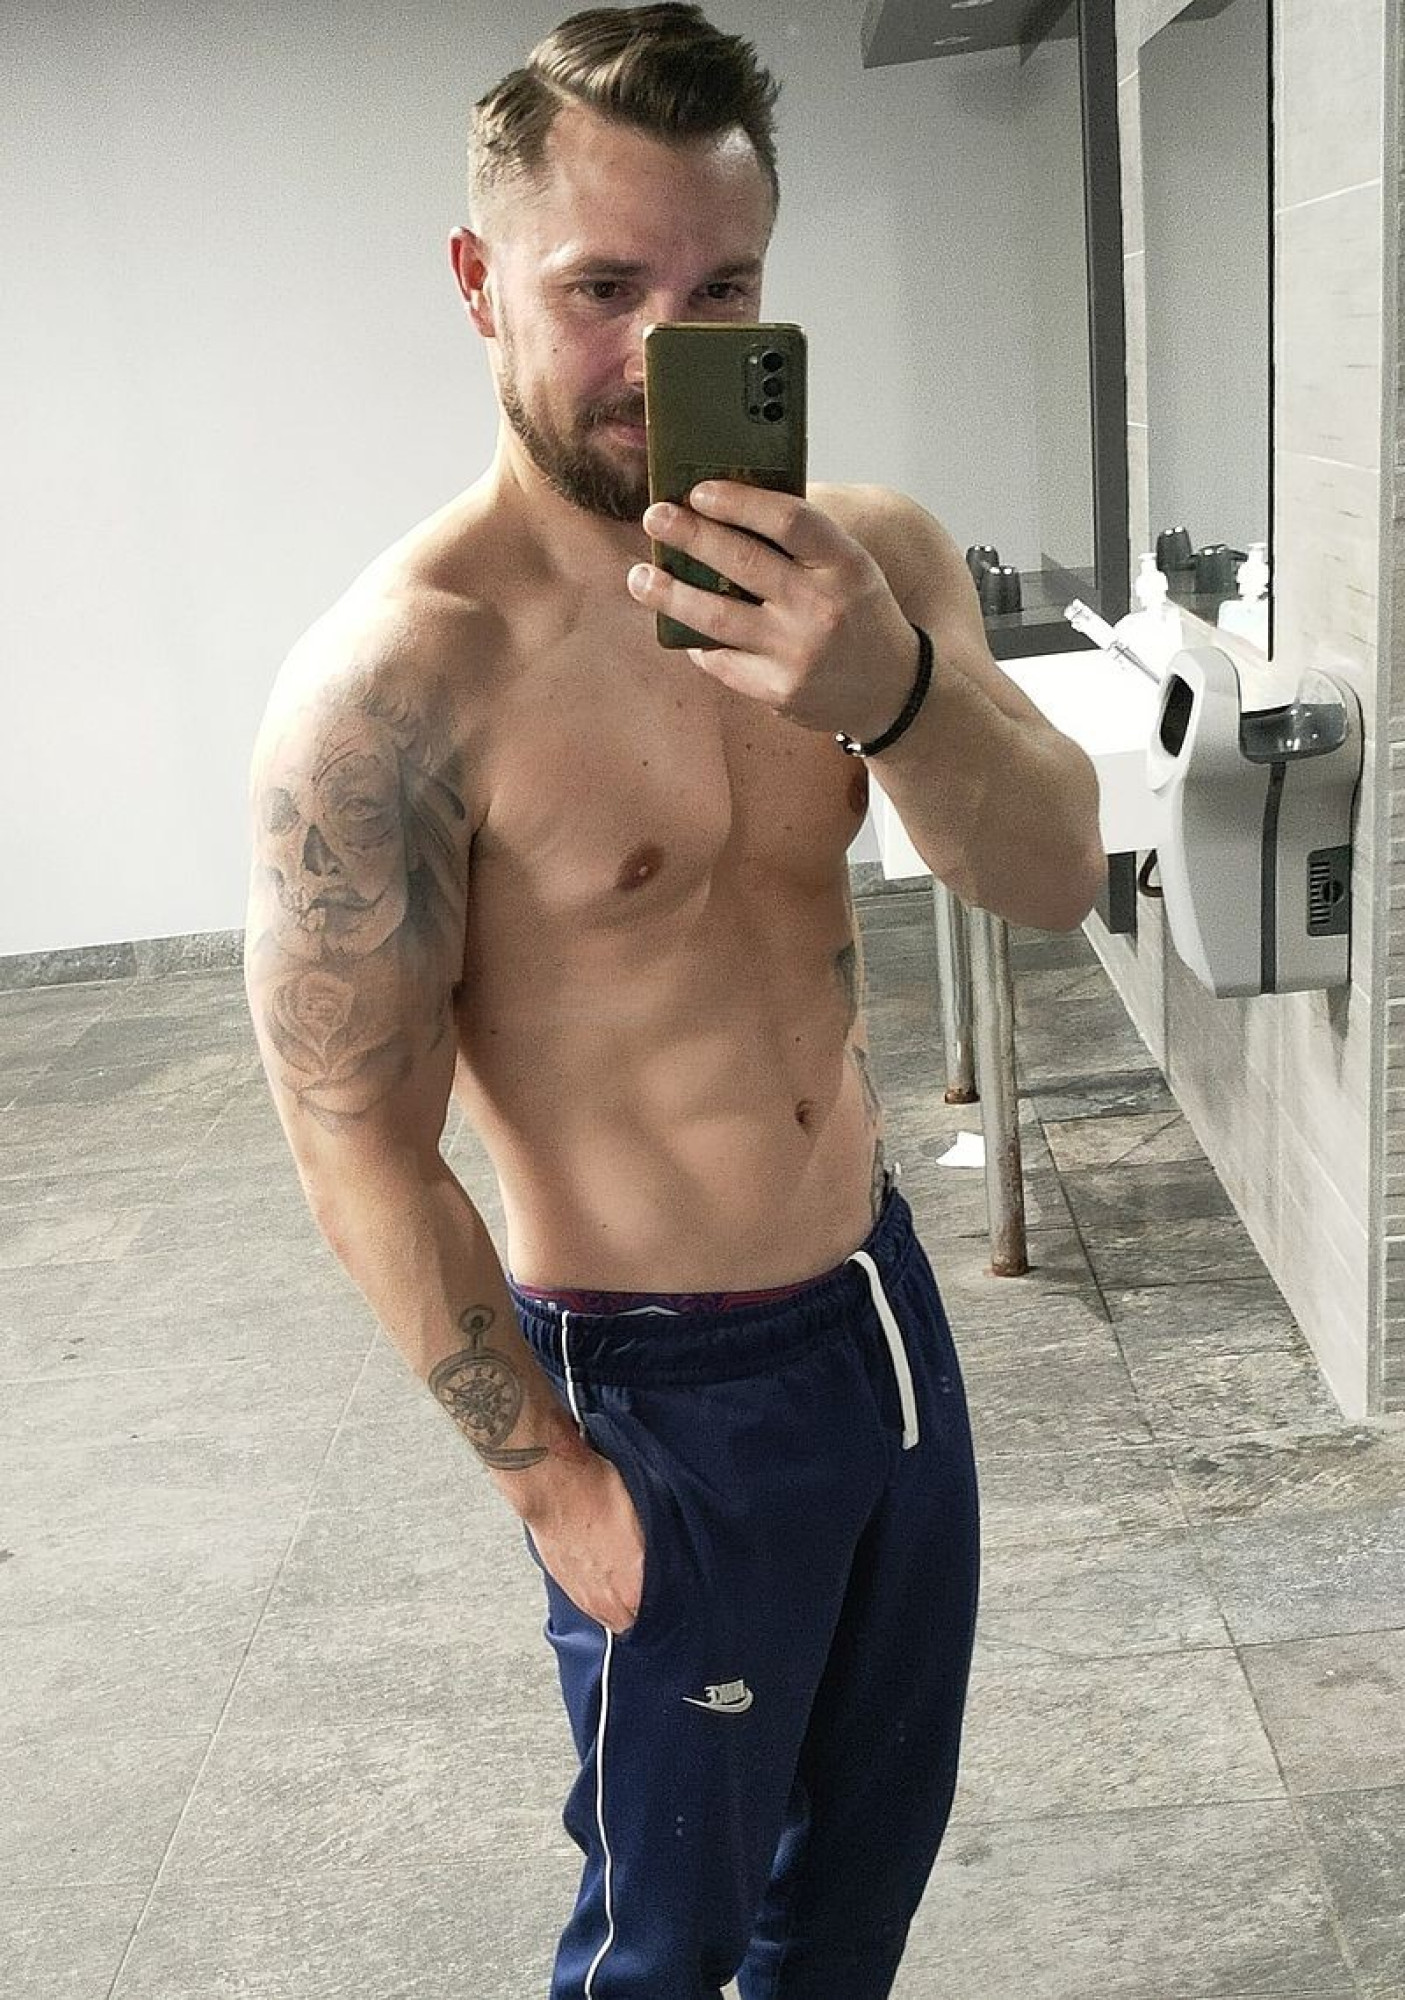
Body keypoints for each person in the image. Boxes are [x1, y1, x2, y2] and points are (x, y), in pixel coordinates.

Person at [243, 6, 1105, 1994]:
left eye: (721, 289)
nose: (663, 346)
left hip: (878, 1316)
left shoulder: (867, 563)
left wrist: (890, 693)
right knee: (662, 1937)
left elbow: (1054, 876)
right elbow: (350, 1136)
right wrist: (556, 1485)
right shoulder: (399, 683)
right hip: (657, 1384)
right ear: (478, 283)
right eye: (602, 288)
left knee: (858, 1885)